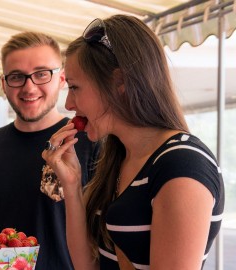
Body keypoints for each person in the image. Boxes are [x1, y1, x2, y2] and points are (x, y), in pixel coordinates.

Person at [35, 15, 224, 270]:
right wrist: (71, 184)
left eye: (75, 87)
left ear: (119, 82)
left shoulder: (182, 164)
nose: (68, 104)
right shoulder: (120, 157)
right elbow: (88, 266)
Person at [0, 32, 98, 269]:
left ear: (62, 79)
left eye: (41, 74)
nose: (29, 87)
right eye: (16, 77)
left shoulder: (89, 142)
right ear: (4, 84)